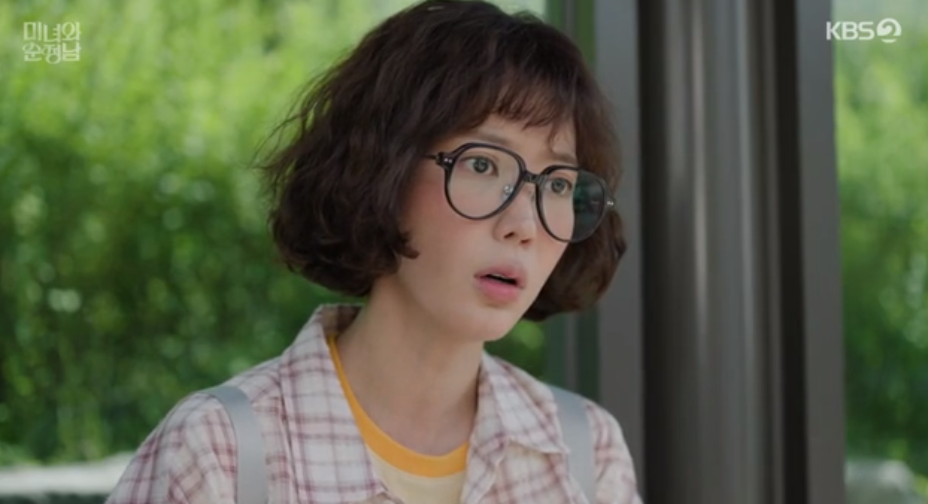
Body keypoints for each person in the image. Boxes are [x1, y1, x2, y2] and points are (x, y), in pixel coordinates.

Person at [106, 0, 641, 503]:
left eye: (557, 183)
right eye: (483, 165)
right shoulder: (217, 453)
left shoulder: (586, 453)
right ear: (384, 169)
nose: (524, 225)